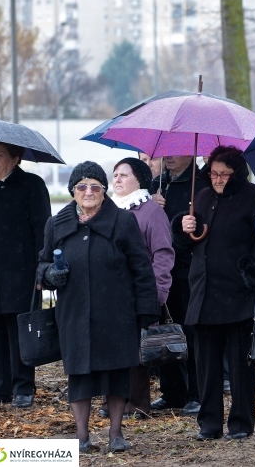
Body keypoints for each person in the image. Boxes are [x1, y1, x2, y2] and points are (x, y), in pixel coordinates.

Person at [37, 162, 160, 453]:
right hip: (74, 313)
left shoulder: (122, 221)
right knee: (79, 374)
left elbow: (142, 268)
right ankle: (82, 437)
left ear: (104, 192)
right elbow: (42, 262)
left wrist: (146, 312)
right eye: (82, 186)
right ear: (73, 191)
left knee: (117, 373)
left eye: (95, 186)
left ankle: (115, 434)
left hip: (116, 311)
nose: (88, 192)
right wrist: (48, 275)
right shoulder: (57, 224)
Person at [176, 146, 255, 441]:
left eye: (224, 174)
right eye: (213, 173)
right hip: (205, 293)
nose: (218, 179)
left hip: (238, 293)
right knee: (206, 367)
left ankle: (241, 423)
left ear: (237, 173)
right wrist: (183, 226)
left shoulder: (253, 196)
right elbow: (187, 245)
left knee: (240, 366)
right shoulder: (202, 196)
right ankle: (209, 423)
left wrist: (254, 266)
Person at [0, 142, 51, 408]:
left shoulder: (31, 185)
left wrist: (41, 269)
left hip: (20, 273)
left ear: (16, 158)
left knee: (18, 329)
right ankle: (0, 387)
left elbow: (42, 230)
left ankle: (23, 386)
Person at [104, 157, 174, 420]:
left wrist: (158, 293)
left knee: (136, 351)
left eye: (124, 175)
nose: (117, 179)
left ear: (139, 180)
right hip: (109, 292)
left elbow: (163, 254)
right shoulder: (107, 209)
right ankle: (111, 401)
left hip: (139, 291)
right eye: (115, 174)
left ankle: (137, 404)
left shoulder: (151, 212)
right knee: (110, 348)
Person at [150, 155, 210, 416]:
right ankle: (171, 391)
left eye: (176, 150)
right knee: (165, 331)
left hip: (189, 269)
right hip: (161, 269)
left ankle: (196, 392)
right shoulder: (156, 183)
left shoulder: (202, 183)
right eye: (166, 151)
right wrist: (152, 204)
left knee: (191, 332)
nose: (169, 157)